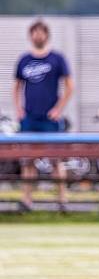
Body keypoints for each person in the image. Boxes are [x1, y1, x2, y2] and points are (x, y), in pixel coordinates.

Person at [13, 19, 74, 213]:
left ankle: (63, 200)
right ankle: (27, 200)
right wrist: (19, 109)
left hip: (50, 120)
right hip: (30, 118)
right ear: (30, 36)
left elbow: (70, 86)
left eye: (41, 32)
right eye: (34, 32)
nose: (37, 35)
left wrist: (58, 109)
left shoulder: (57, 59)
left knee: (56, 160)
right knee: (27, 160)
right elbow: (16, 87)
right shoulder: (24, 60)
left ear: (46, 35)